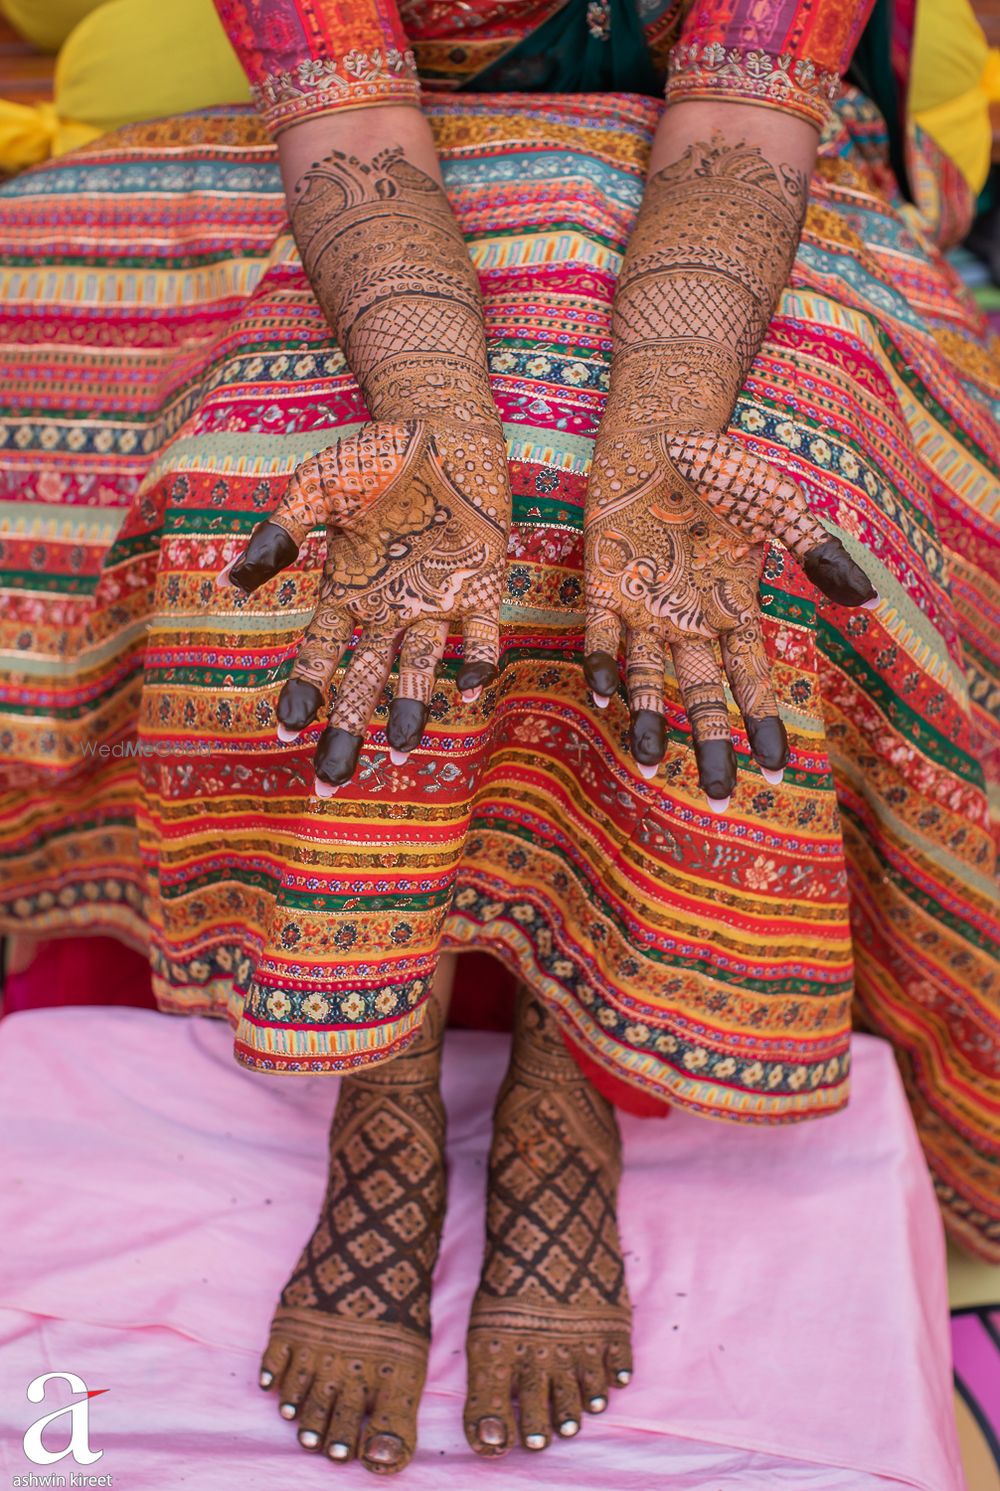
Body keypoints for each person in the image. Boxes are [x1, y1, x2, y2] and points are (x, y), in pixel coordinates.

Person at [0, 0, 996, 1472]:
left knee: (751, 468)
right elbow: (350, 126)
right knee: (344, 477)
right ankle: (384, 1085)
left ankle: (564, 1077)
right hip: (340, 154)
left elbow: (737, 121)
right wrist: (436, 424)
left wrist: (657, 439)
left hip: (745, 162)